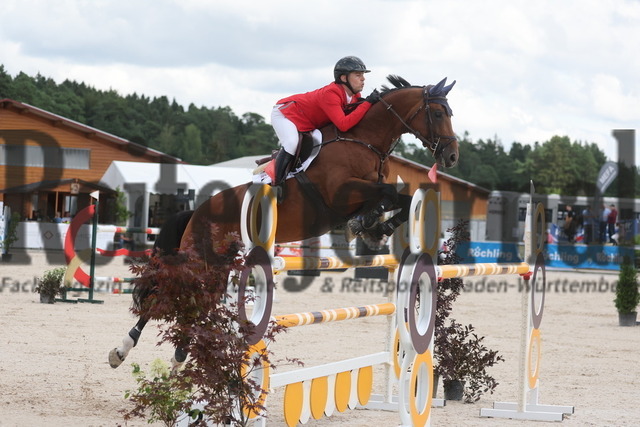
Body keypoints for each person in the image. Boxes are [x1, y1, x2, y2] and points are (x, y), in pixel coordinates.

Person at [270, 56, 381, 186]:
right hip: (285, 114)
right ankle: (277, 183)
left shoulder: (354, 95)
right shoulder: (331, 93)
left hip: (307, 120)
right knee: (291, 143)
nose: (363, 79)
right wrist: (367, 103)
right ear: (344, 78)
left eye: (363, 75)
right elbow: (343, 125)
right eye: (358, 75)